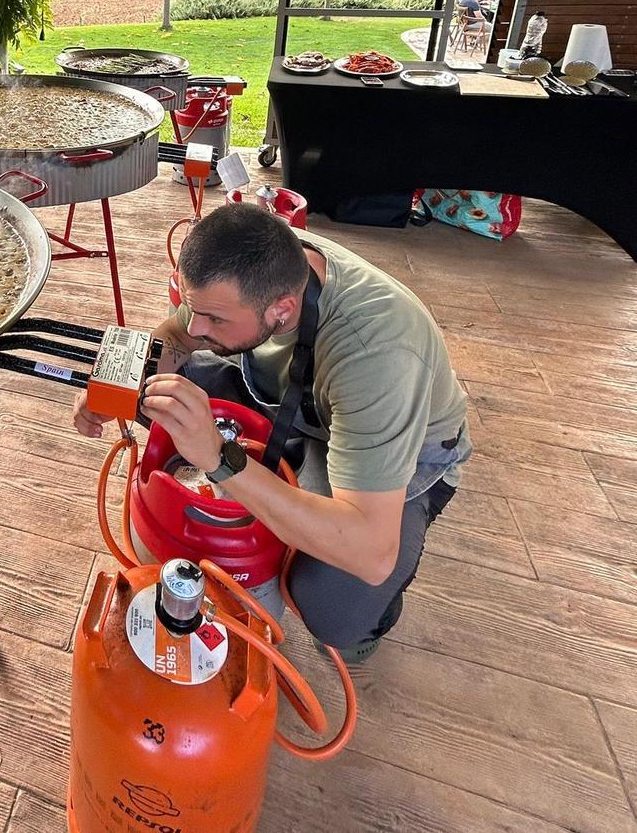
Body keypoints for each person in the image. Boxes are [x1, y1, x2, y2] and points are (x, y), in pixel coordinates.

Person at [73, 203, 471, 663]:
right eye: (193, 307)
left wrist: (219, 457)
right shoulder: (256, 272)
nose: (196, 327)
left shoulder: (377, 355)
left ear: (282, 310)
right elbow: (177, 339)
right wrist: (117, 386)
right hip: (300, 406)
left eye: (215, 320)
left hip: (402, 452)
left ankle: (372, 613)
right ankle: (281, 481)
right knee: (161, 394)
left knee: (333, 608)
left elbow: (371, 551)